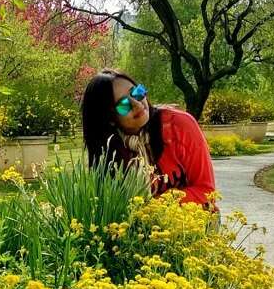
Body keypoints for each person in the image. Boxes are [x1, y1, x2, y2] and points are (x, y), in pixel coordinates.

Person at [81, 69, 216, 206]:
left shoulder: (179, 125)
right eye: (124, 105)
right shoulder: (109, 152)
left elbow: (207, 191)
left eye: (137, 93)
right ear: (109, 118)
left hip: (195, 220)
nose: (138, 104)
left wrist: (154, 206)